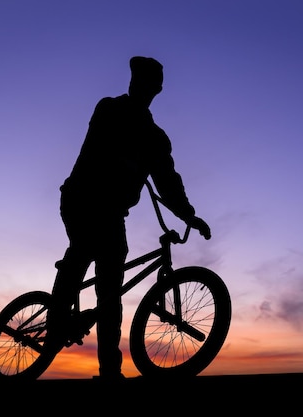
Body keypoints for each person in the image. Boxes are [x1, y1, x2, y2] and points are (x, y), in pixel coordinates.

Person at [49, 56, 211, 380]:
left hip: (111, 212)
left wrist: (189, 215)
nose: (141, 88)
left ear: (157, 90)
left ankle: (110, 370)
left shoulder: (156, 138)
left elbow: (168, 181)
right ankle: (56, 324)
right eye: (138, 81)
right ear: (132, 81)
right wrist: (133, 164)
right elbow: (101, 146)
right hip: (82, 198)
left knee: (111, 290)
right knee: (83, 250)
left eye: (148, 84)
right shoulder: (108, 109)